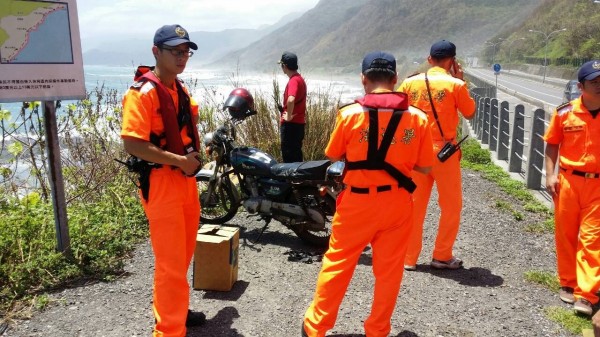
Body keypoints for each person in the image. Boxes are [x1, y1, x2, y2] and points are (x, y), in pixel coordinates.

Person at [302, 51, 434, 337]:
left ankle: (316, 328)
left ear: (363, 79)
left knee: (337, 263)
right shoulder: (417, 119)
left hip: (357, 202)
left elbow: (333, 153)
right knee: (389, 272)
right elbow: (424, 167)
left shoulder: (348, 114)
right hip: (397, 202)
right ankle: (377, 330)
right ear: (395, 79)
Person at [120, 24, 205, 336]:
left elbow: (189, 124)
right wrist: (179, 161)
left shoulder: (180, 90)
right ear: (156, 52)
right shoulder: (141, 94)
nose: (183, 57)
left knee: (182, 256)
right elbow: (133, 143)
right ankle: (168, 330)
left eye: (186, 51)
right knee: (170, 264)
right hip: (162, 183)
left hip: (185, 182)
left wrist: (191, 156)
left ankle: (176, 311)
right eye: (176, 51)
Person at [397, 39, 476, 271]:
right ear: (452, 61)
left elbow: (397, 114)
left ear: (429, 59)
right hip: (445, 153)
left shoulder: (410, 83)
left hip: (416, 152)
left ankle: (409, 258)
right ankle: (442, 255)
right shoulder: (455, 85)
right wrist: (460, 80)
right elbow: (470, 113)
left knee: (414, 205)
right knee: (451, 206)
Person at [544, 60, 600, 316]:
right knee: (566, 235)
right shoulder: (564, 112)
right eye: (594, 83)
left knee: (592, 239)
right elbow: (552, 144)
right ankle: (568, 281)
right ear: (580, 86)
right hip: (567, 181)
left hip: (598, 186)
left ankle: (586, 295)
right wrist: (550, 175)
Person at [278, 51, 307, 163]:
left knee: (289, 159)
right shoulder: (300, 79)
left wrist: (289, 116)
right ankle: (298, 180)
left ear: (285, 66)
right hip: (298, 125)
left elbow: (291, 99)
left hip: (291, 126)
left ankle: (290, 181)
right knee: (296, 157)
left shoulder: (294, 81)